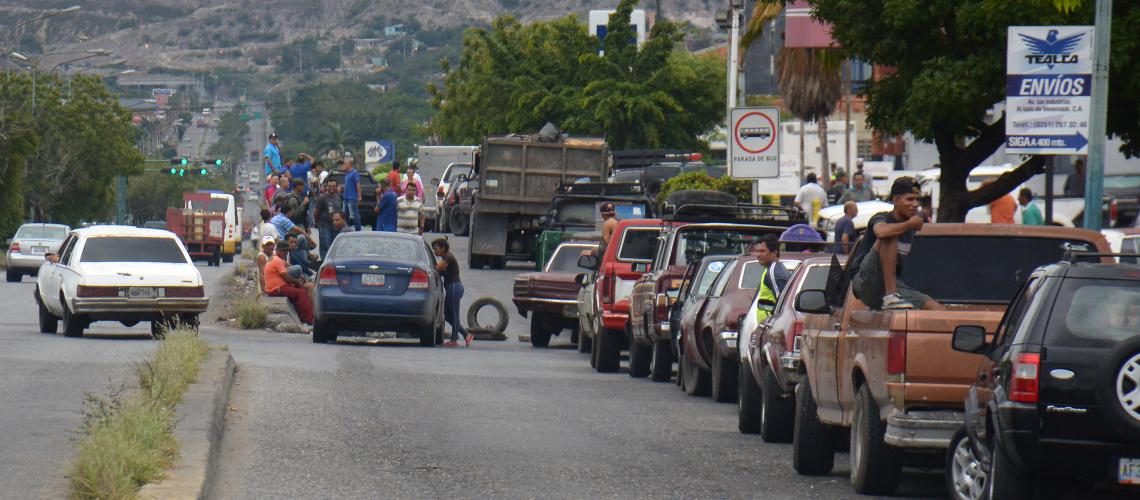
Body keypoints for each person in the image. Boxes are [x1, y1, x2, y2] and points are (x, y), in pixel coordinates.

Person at [850, 177, 944, 311]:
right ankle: (891, 297)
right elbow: (882, 232)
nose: (915, 204)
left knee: (936, 308)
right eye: (909, 199)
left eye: (917, 199)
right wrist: (908, 224)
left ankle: (893, 297)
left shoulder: (911, 229)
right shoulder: (882, 218)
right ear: (895, 200)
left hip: (893, 284)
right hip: (865, 282)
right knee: (890, 233)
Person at [263, 241, 314, 326]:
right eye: (284, 251)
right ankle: (309, 320)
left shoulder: (276, 259)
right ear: (279, 251)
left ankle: (305, 316)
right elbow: (287, 277)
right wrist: (298, 282)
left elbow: (288, 268)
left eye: (286, 251)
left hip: (278, 287)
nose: (286, 253)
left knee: (301, 290)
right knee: (300, 293)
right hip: (276, 288)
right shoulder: (277, 260)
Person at [433, 238, 471, 347]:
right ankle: (466, 334)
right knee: (447, 315)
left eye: (436, 249)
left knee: (454, 314)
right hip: (451, 288)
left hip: (454, 287)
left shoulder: (448, 257)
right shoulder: (446, 256)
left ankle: (454, 340)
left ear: (443, 248)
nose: (435, 251)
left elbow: (436, 269)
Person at [753, 235, 791, 323]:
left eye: (762, 251)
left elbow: (782, 303)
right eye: (757, 251)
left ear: (774, 252)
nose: (758, 254)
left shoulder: (774, 273)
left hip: (771, 326)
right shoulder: (770, 269)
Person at [314, 179, 343, 259]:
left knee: (334, 247)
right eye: (329, 186)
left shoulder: (339, 197)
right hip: (324, 226)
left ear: (336, 187)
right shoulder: (322, 197)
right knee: (325, 246)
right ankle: (324, 264)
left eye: (333, 186)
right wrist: (317, 222)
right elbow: (316, 212)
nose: (331, 188)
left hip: (335, 227)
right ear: (326, 187)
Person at [342, 158, 362, 231]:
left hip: (352, 198)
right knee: (345, 215)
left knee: (354, 215)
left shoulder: (354, 172)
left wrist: (359, 196)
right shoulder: (347, 174)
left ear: (349, 164)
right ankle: (347, 229)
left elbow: (357, 184)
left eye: (345, 164)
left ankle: (358, 230)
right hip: (346, 198)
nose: (343, 166)